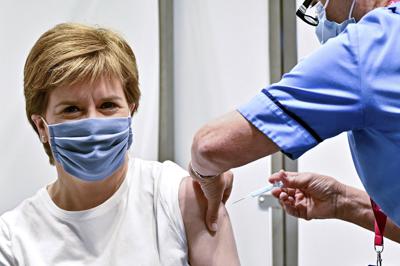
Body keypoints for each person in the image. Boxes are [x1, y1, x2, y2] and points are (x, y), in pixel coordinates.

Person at [0, 23, 240, 266]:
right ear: (42, 127)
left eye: (108, 105)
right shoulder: (13, 240)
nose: (93, 122)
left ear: (131, 111)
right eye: (72, 109)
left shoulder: (179, 197)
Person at [189, 0, 400, 242]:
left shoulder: (367, 49)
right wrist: (341, 201)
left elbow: (209, 146)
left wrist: (206, 176)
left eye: (316, 3)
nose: (320, 15)